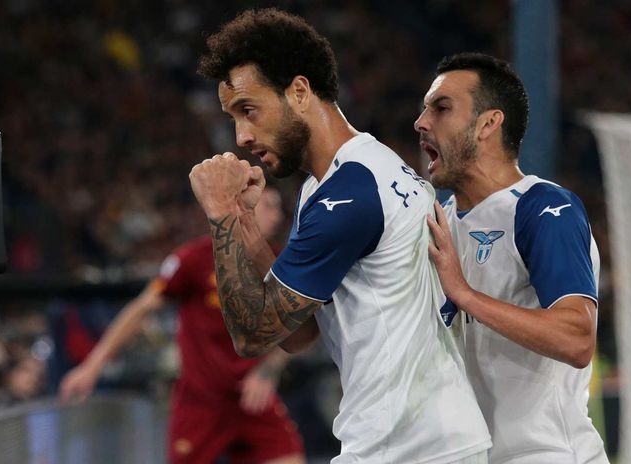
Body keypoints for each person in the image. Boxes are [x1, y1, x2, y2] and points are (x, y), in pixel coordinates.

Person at [189, 9, 490, 464]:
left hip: (410, 446)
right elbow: (298, 333)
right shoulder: (349, 178)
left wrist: (219, 215)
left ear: (299, 91)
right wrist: (243, 221)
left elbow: (253, 337)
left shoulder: (348, 195)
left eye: (248, 110)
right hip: (425, 438)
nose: (241, 136)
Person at [417, 52, 608, 463]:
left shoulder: (542, 208)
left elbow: (577, 339)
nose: (421, 122)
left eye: (441, 108)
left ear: (488, 124)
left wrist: (465, 295)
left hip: (550, 454)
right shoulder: (439, 223)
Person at [59, 187, 306, 464]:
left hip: (252, 399)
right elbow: (141, 309)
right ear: (242, 207)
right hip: (201, 402)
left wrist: (267, 371)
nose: (278, 216)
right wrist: (93, 365)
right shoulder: (194, 258)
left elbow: (298, 327)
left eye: (279, 208)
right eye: (269, 206)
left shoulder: (276, 264)